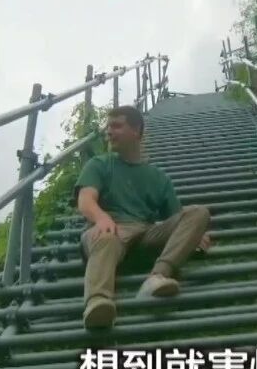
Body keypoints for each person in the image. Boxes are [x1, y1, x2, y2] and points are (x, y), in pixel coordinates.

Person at [73, 105, 212, 329]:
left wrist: (195, 234)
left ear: (136, 130)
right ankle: (98, 302)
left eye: (116, 126)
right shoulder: (99, 164)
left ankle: (157, 276)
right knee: (106, 237)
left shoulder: (158, 177)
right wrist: (101, 218)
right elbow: (85, 200)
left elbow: (178, 218)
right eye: (108, 127)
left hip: (144, 236)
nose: (109, 132)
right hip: (109, 233)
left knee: (199, 213)